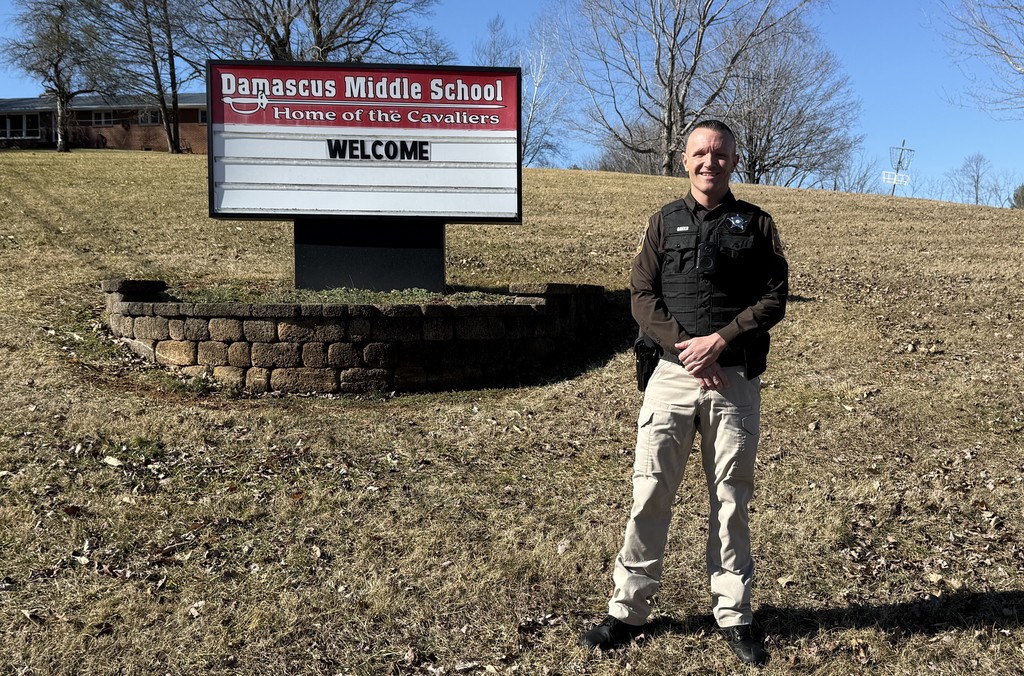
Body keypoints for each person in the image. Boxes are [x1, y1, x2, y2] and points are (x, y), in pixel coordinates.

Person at [581, 120, 789, 667]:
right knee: (649, 492)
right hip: (671, 376)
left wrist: (720, 341)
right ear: (684, 160)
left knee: (730, 498)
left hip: (733, 376)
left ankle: (735, 613)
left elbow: (775, 298)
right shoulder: (663, 222)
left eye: (719, 154)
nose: (708, 163)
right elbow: (641, 294)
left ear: (733, 160)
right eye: (699, 153)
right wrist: (686, 347)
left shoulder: (758, 224)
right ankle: (627, 611)